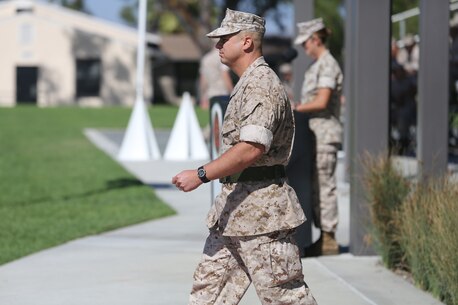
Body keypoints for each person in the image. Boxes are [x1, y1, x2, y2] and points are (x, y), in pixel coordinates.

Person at [172, 8, 318, 305]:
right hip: (234, 211)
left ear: (247, 42)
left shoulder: (261, 85)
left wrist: (201, 175)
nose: (218, 46)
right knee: (207, 295)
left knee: (284, 298)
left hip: (262, 215)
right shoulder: (247, 84)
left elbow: (251, 148)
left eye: (225, 39)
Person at [292, 18, 343, 256]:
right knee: (315, 187)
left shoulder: (328, 65)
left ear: (315, 39)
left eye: (305, 43)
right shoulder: (316, 66)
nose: (304, 48)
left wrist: (297, 108)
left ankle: (329, 237)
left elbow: (322, 101)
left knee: (324, 186)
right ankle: (322, 236)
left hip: (325, 133)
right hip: (313, 134)